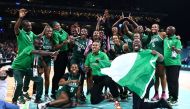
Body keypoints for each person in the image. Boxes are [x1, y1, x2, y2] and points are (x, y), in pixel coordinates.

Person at [11, 39, 58, 104]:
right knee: (19, 84)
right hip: (18, 68)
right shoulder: (29, 48)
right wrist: (52, 53)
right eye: (38, 44)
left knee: (39, 79)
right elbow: (39, 51)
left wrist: (41, 68)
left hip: (27, 69)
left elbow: (37, 62)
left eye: (41, 44)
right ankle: (15, 100)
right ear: (34, 43)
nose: (40, 45)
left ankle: (37, 98)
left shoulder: (37, 53)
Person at [132, 35, 172, 109]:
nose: (136, 43)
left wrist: (157, 54)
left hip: (146, 80)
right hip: (136, 81)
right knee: (140, 105)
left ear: (141, 45)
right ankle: (160, 103)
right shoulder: (130, 55)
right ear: (132, 45)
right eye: (134, 42)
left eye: (138, 42)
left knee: (137, 105)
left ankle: (160, 103)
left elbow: (161, 59)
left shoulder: (147, 52)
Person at [148, 24, 167, 101]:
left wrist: (176, 37)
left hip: (161, 58)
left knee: (162, 76)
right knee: (156, 77)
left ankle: (163, 93)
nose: (153, 28)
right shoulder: (151, 37)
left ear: (158, 28)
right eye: (152, 27)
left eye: (155, 27)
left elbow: (169, 38)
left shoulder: (162, 34)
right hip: (153, 60)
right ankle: (156, 94)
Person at [164, 26, 182, 105]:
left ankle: (175, 98)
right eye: (166, 29)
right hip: (167, 64)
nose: (166, 30)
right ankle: (171, 96)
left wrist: (175, 49)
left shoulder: (177, 40)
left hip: (174, 64)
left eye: (168, 30)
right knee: (169, 81)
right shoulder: (165, 39)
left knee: (173, 81)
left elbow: (179, 51)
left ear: (173, 31)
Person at [51, 21, 70, 99]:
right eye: (56, 26)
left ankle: (59, 90)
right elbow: (56, 47)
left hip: (65, 54)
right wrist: (64, 43)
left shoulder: (63, 31)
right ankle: (53, 91)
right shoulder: (54, 33)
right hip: (58, 54)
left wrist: (68, 40)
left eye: (59, 25)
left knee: (62, 73)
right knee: (57, 74)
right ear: (54, 27)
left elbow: (68, 36)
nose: (58, 27)